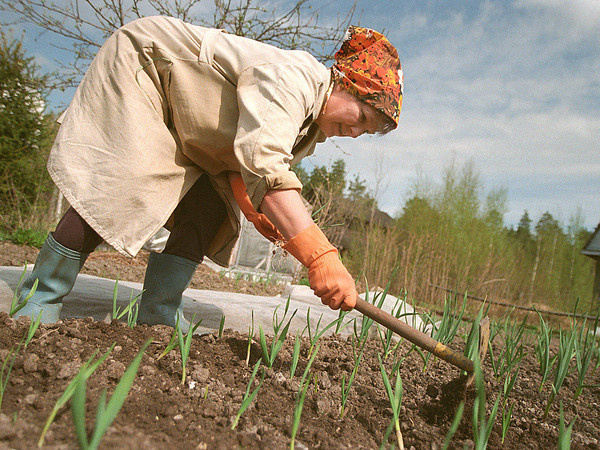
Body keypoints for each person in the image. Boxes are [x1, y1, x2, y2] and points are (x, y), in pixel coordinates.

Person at [13, 16, 403, 331]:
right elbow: (263, 162)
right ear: (347, 84)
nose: (354, 131)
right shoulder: (294, 78)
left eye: (364, 132)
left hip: (192, 128)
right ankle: (39, 296)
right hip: (147, 70)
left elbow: (244, 167)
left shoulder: (311, 127)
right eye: (361, 117)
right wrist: (321, 257)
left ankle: (157, 312)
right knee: (121, 184)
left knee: (212, 208)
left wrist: (257, 210)